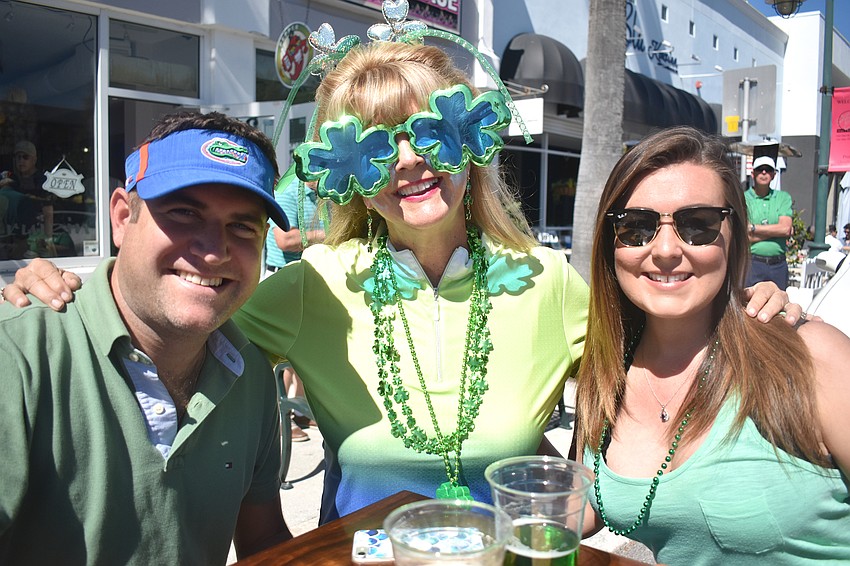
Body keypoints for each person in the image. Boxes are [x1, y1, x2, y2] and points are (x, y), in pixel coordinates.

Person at [2, 11, 799, 526]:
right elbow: (183, 300)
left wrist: (756, 309)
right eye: (377, 146)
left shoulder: (546, 279)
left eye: (433, 133)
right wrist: (68, 289)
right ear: (346, 171)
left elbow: (658, 353)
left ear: (473, 141)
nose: (411, 164)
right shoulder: (313, 285)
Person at [0, 112, 293, 563]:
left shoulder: (249, 374)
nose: (213, 250)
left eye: (242, 226)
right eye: (183, 213)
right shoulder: (19, 357)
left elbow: (263, 538)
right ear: (121, 217)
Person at [576, 127, 850, 565]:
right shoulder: (607, 371)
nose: (665, 249)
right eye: (636, 227)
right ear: (611, 243)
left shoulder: (812, 355)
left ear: (735, 236)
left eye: (697, 225)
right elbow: (588, 501)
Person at [265, 178, 328, 441]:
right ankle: (279, 419)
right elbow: (285, 239)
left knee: (307, 350)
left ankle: (300, 409)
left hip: (307, 277)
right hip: (283, 279)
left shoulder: (325, 194)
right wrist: (327, 233)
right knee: (282, 355)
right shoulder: (288, 194)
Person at [744, 155, 793, 289]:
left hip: (778, 265)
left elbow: (785, 229)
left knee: (778, 306)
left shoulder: (783, 197)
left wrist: (753, 228)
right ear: (753, 174)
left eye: (768, 170)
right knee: (749, 306)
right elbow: (744, 235)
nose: (764, 173)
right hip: (753, 263)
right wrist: (777, 232)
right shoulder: (744, 198)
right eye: (760, 169)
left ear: (773, 174)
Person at [0, 140, 54, 258]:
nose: (21, 161)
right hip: (15, 232)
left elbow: (48, 212)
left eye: (25, 157)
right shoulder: (12, 179)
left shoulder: (43, 181)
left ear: (34, 160)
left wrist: (48, 239)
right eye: (18, 157)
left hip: (37, 231)